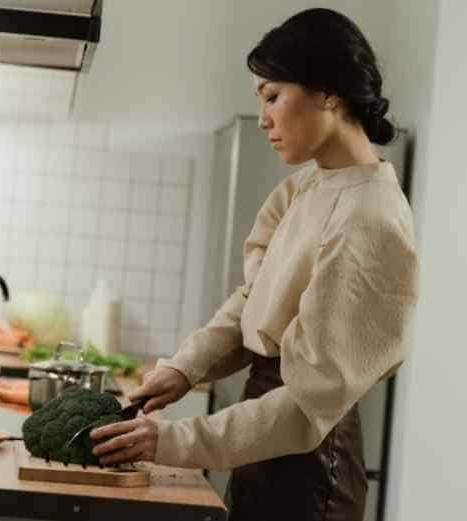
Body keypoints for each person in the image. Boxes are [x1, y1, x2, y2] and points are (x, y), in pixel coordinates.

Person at [89, 8, 418, 521]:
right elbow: (257, 297)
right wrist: (184, 367)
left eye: (272, 96)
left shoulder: (369, 218)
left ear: (328, 92)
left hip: (311, 457)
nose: (264, 118)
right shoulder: (308, 185)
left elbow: (308, 407)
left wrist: (171, 440)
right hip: (264, 434)